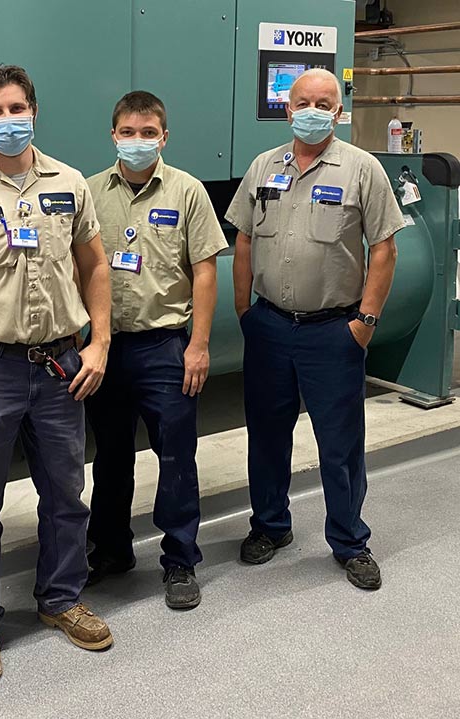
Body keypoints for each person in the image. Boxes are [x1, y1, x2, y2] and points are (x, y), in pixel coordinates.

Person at [0, 64, 114, 683]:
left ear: (35, 111)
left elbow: (97, 266)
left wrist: (100, 343)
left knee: (65, 493)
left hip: (61, 364)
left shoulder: (70, 184)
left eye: (17, 109)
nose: (7, 120)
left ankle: (61, 599)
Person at [225, 68, 403, 590]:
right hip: (270, 327)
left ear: (338, 111)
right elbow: (242, 240)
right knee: (267, 436)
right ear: (287, 108)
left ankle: (350, 541)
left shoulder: (362, 169)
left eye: (324, 103)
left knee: (340, 443)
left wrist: (365, 322)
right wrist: (245, 312)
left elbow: (385, 248)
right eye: (303, 101)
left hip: (334, 331)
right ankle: (270, 526)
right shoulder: (263, 166)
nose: (312, 110)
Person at [84, 91, 228, 609]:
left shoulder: (188, 192)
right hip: (106, 348)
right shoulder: (89, 191)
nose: (138, 141)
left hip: (167, 348)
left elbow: (206, 272)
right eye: (128, 132)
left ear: (164, 137)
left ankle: (181, 560)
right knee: (110, 458)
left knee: (175, 457)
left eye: (148, 133)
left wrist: (199, 346)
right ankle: (111, 550)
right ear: (113, 135)